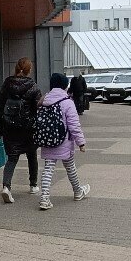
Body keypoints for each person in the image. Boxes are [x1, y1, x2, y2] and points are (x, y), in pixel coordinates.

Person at [38, 72, 90, 210]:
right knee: (70, 168)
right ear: (64, 86)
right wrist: (81, 142)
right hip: (64, 142)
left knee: (48, 169)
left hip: (47, 140)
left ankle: (44, 198)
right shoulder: (67, 102)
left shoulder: (44, 101)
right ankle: (78, 191)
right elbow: (74, 125)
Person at [0, 57, 42, 204]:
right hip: (28, 129)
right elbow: (38, 110)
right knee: (31, 156)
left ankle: (6, 187)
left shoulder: (7, 84)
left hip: (9, 127)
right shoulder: (33, 87)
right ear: (29, 70)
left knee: (12, 158)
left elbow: (0, 108)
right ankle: (33, 185)